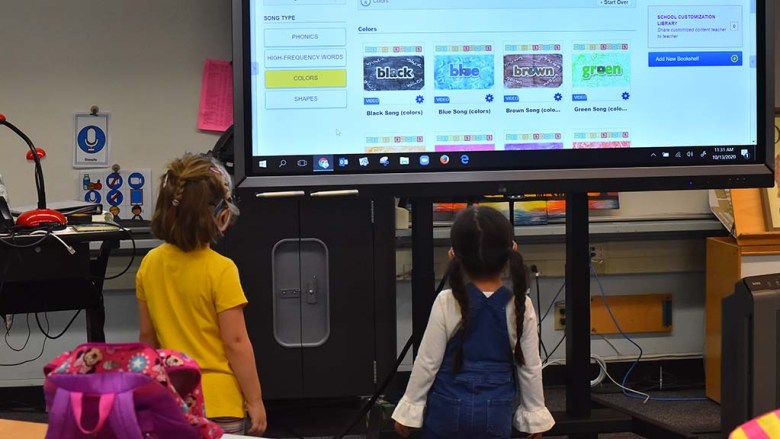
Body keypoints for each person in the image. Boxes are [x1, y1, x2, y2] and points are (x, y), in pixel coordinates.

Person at [393, 205, 554, 438]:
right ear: (513, 250)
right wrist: (534, 415)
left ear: (453, 255)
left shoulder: (446, 301)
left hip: (444, 415)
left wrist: (409, 409)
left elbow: (427, 362)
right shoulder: (520, 304)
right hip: (496, 416)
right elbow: (530, 367)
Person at [135, 153, 266, 435]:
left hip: (170, 401)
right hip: (219, 405)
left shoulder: (150, 264)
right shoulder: (222, 270)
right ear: (220, 214)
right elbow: (236, 343)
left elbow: (147, 339)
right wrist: (255, 401)